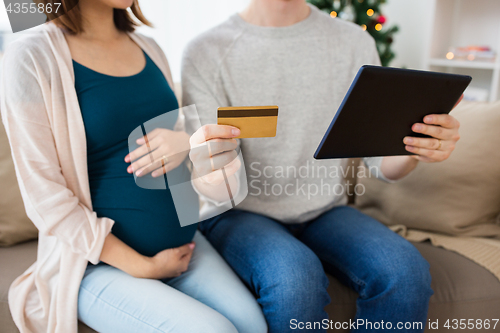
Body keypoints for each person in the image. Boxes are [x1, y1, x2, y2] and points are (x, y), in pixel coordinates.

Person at [182, 0, 462, 332]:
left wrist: (416, 148)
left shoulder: (354, 43)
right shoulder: (205, 51)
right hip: (239, 213)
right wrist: (212, 169)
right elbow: (210, 185)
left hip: (324, 209)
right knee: (294, 280)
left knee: (405, 272)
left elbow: (381, 164)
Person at [0, 1, 267, 332]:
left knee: (254, 326)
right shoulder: (30, 55)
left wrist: (185, 141)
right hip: (95, 266)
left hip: (184, 247)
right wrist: (141, 266)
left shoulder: (149, 47)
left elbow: (177, 140)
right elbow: (44, 196)